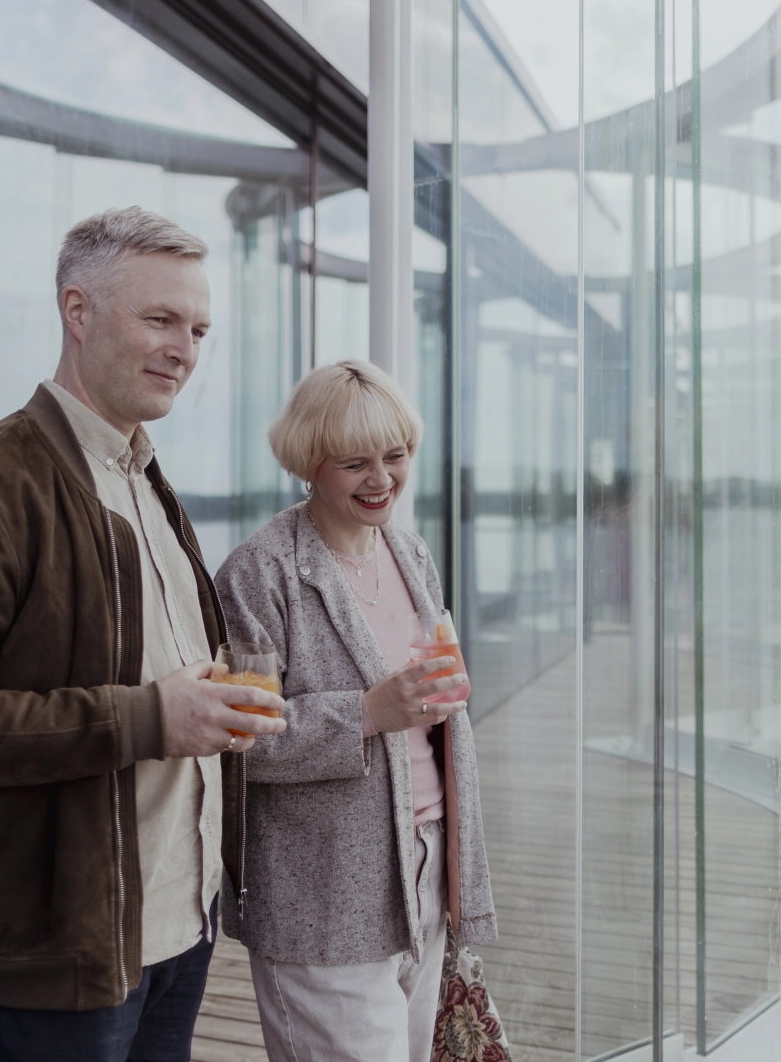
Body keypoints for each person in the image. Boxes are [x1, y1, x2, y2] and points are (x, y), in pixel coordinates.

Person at [0, 207, 286, 1062]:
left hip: (179, 923)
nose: (185, 349)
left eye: (198, 328)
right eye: (160, 319)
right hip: (58, 951)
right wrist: (146, 719)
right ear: (78, 312)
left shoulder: (145, 478)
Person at [214, 359, 497, 1062]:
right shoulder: (259, 574)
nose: (382, 480)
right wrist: (368, 712)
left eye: (395, 457)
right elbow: (238, 739)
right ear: (310, 462)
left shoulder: (410, 552)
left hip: (425, 870)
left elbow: (430, 706)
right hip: (324, 896)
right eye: (355, 463)